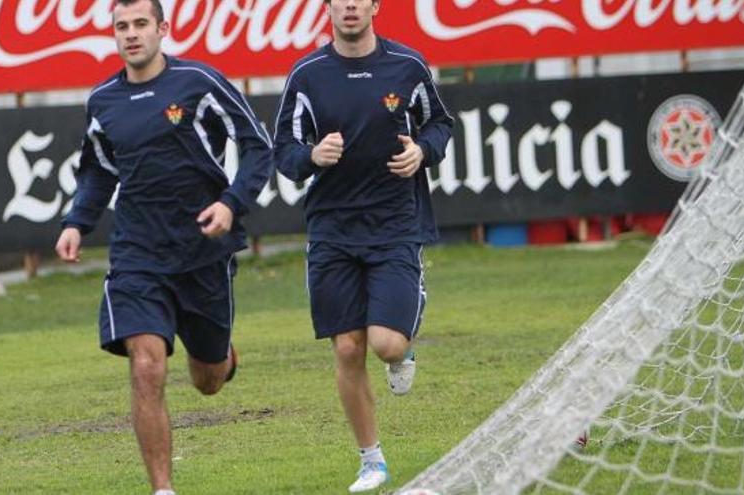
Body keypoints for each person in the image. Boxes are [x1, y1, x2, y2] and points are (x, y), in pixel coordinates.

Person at [54, 1, 272, 493]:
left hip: (201, 253)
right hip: (137, 252)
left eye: (140, 25)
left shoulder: (199, 82)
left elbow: (257, 144)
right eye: (121, 27)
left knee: (207, 378)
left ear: (162, 29)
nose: (131, 35)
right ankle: (163, 490)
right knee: (147, 363)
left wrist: (232, 204)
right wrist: (76, 223)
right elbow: (98, 169)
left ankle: (223, 357)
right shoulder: (103, 100)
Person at [274, 0, 454, 491]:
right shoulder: (307, 75)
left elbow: (441, 126)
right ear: (328, 6)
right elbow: (284, 153)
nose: (350, 5)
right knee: (349, 349)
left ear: (375, 5)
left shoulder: (408, 66)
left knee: (386, 344)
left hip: (396, 224)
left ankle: (407, 326)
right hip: (332, 230)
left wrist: (423, 150)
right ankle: (371, 460)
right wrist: (312, 155)